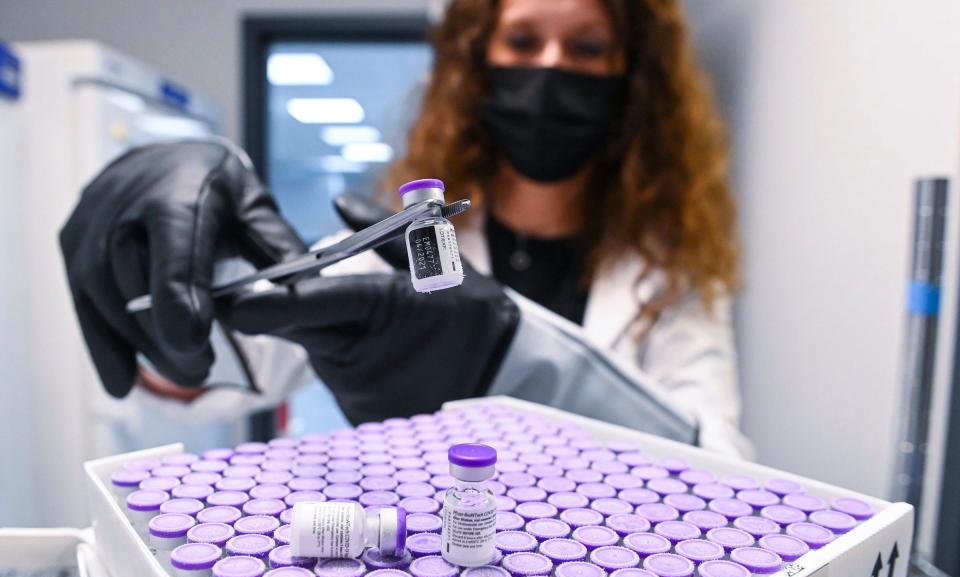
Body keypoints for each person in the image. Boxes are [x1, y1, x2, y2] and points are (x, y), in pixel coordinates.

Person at [60, 0, 751, 457]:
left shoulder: (669, 266)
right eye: (522, 39)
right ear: (477, 61)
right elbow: (227, 362)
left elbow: (723, 464)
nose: (549, 67)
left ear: (629, 78)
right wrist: (161, 273)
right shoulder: (408, 238)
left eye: (588, 47)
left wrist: (511, 355)